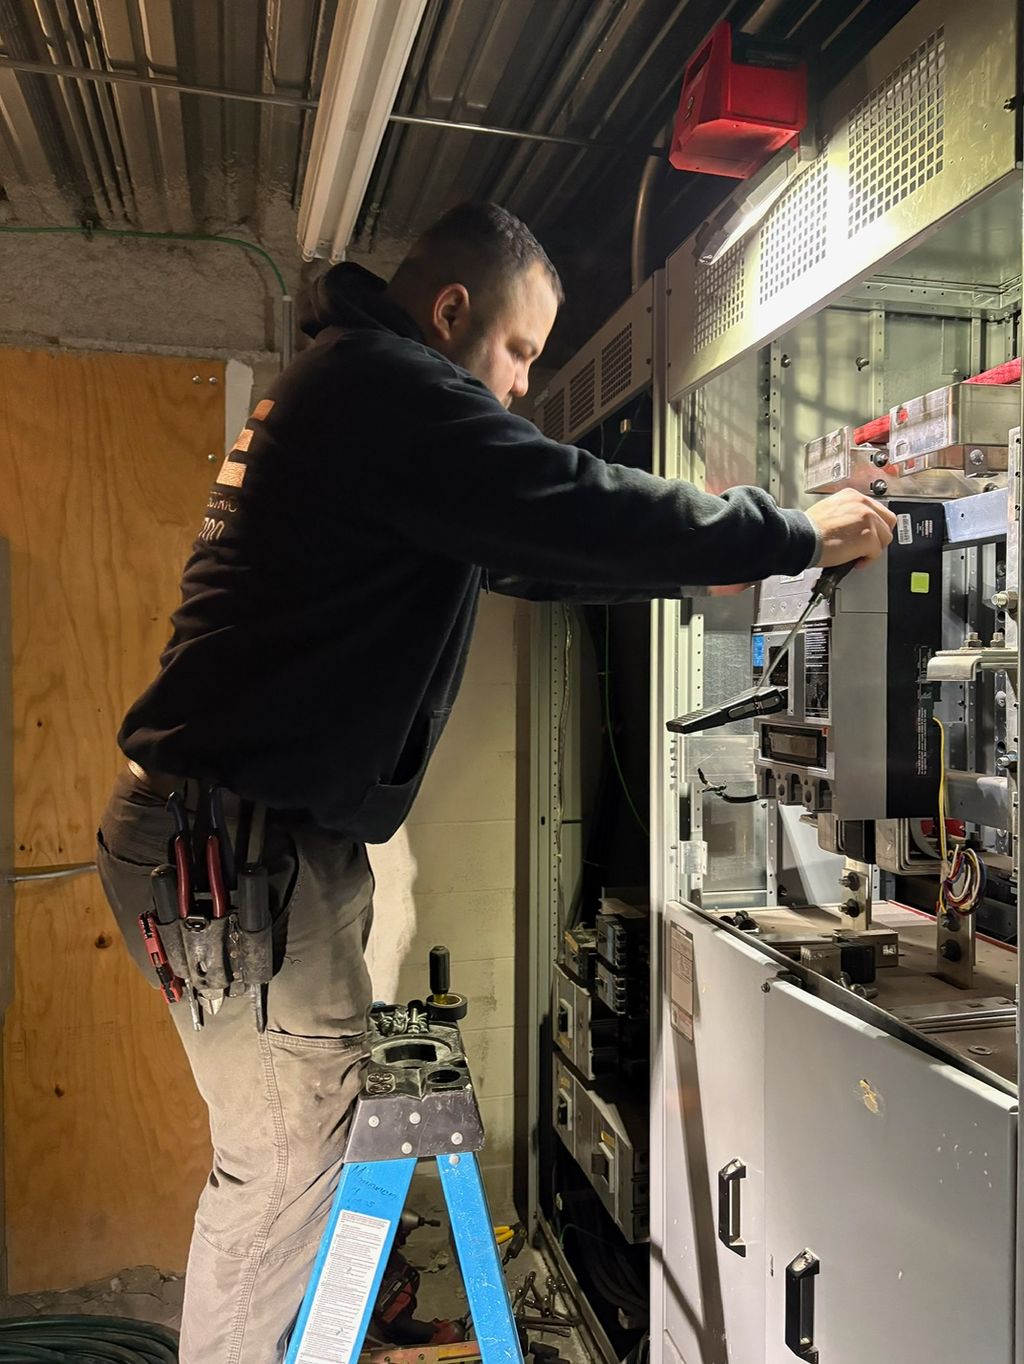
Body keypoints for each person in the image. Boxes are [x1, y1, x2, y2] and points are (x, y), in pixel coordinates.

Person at [96, 202, 896, 1364]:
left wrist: (690, 566)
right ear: (453, 311)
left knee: (273, 1175)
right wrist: (784, 532)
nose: (522, 386)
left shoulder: (352, 392)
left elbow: (532, 544)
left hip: (222, 846)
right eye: (520, 351)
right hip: (236, 856)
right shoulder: (387, 387)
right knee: (276, 1187)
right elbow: (569, 500)